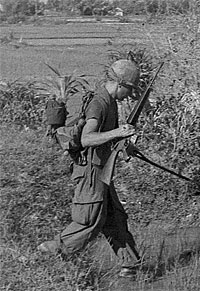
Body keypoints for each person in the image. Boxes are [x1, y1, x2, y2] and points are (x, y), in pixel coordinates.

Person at [38, 59, 142, 279]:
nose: (129, 95)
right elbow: (87, 138)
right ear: (120, 84)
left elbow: (106, 139)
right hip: (90, 172)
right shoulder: (100, 103)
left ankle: (131, 267)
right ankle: (47, 254)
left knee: (115, 220)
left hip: (101, 171)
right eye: (130, 90)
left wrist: (126, 147)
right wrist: (118, 133)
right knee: (89, 223)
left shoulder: (110, 101)